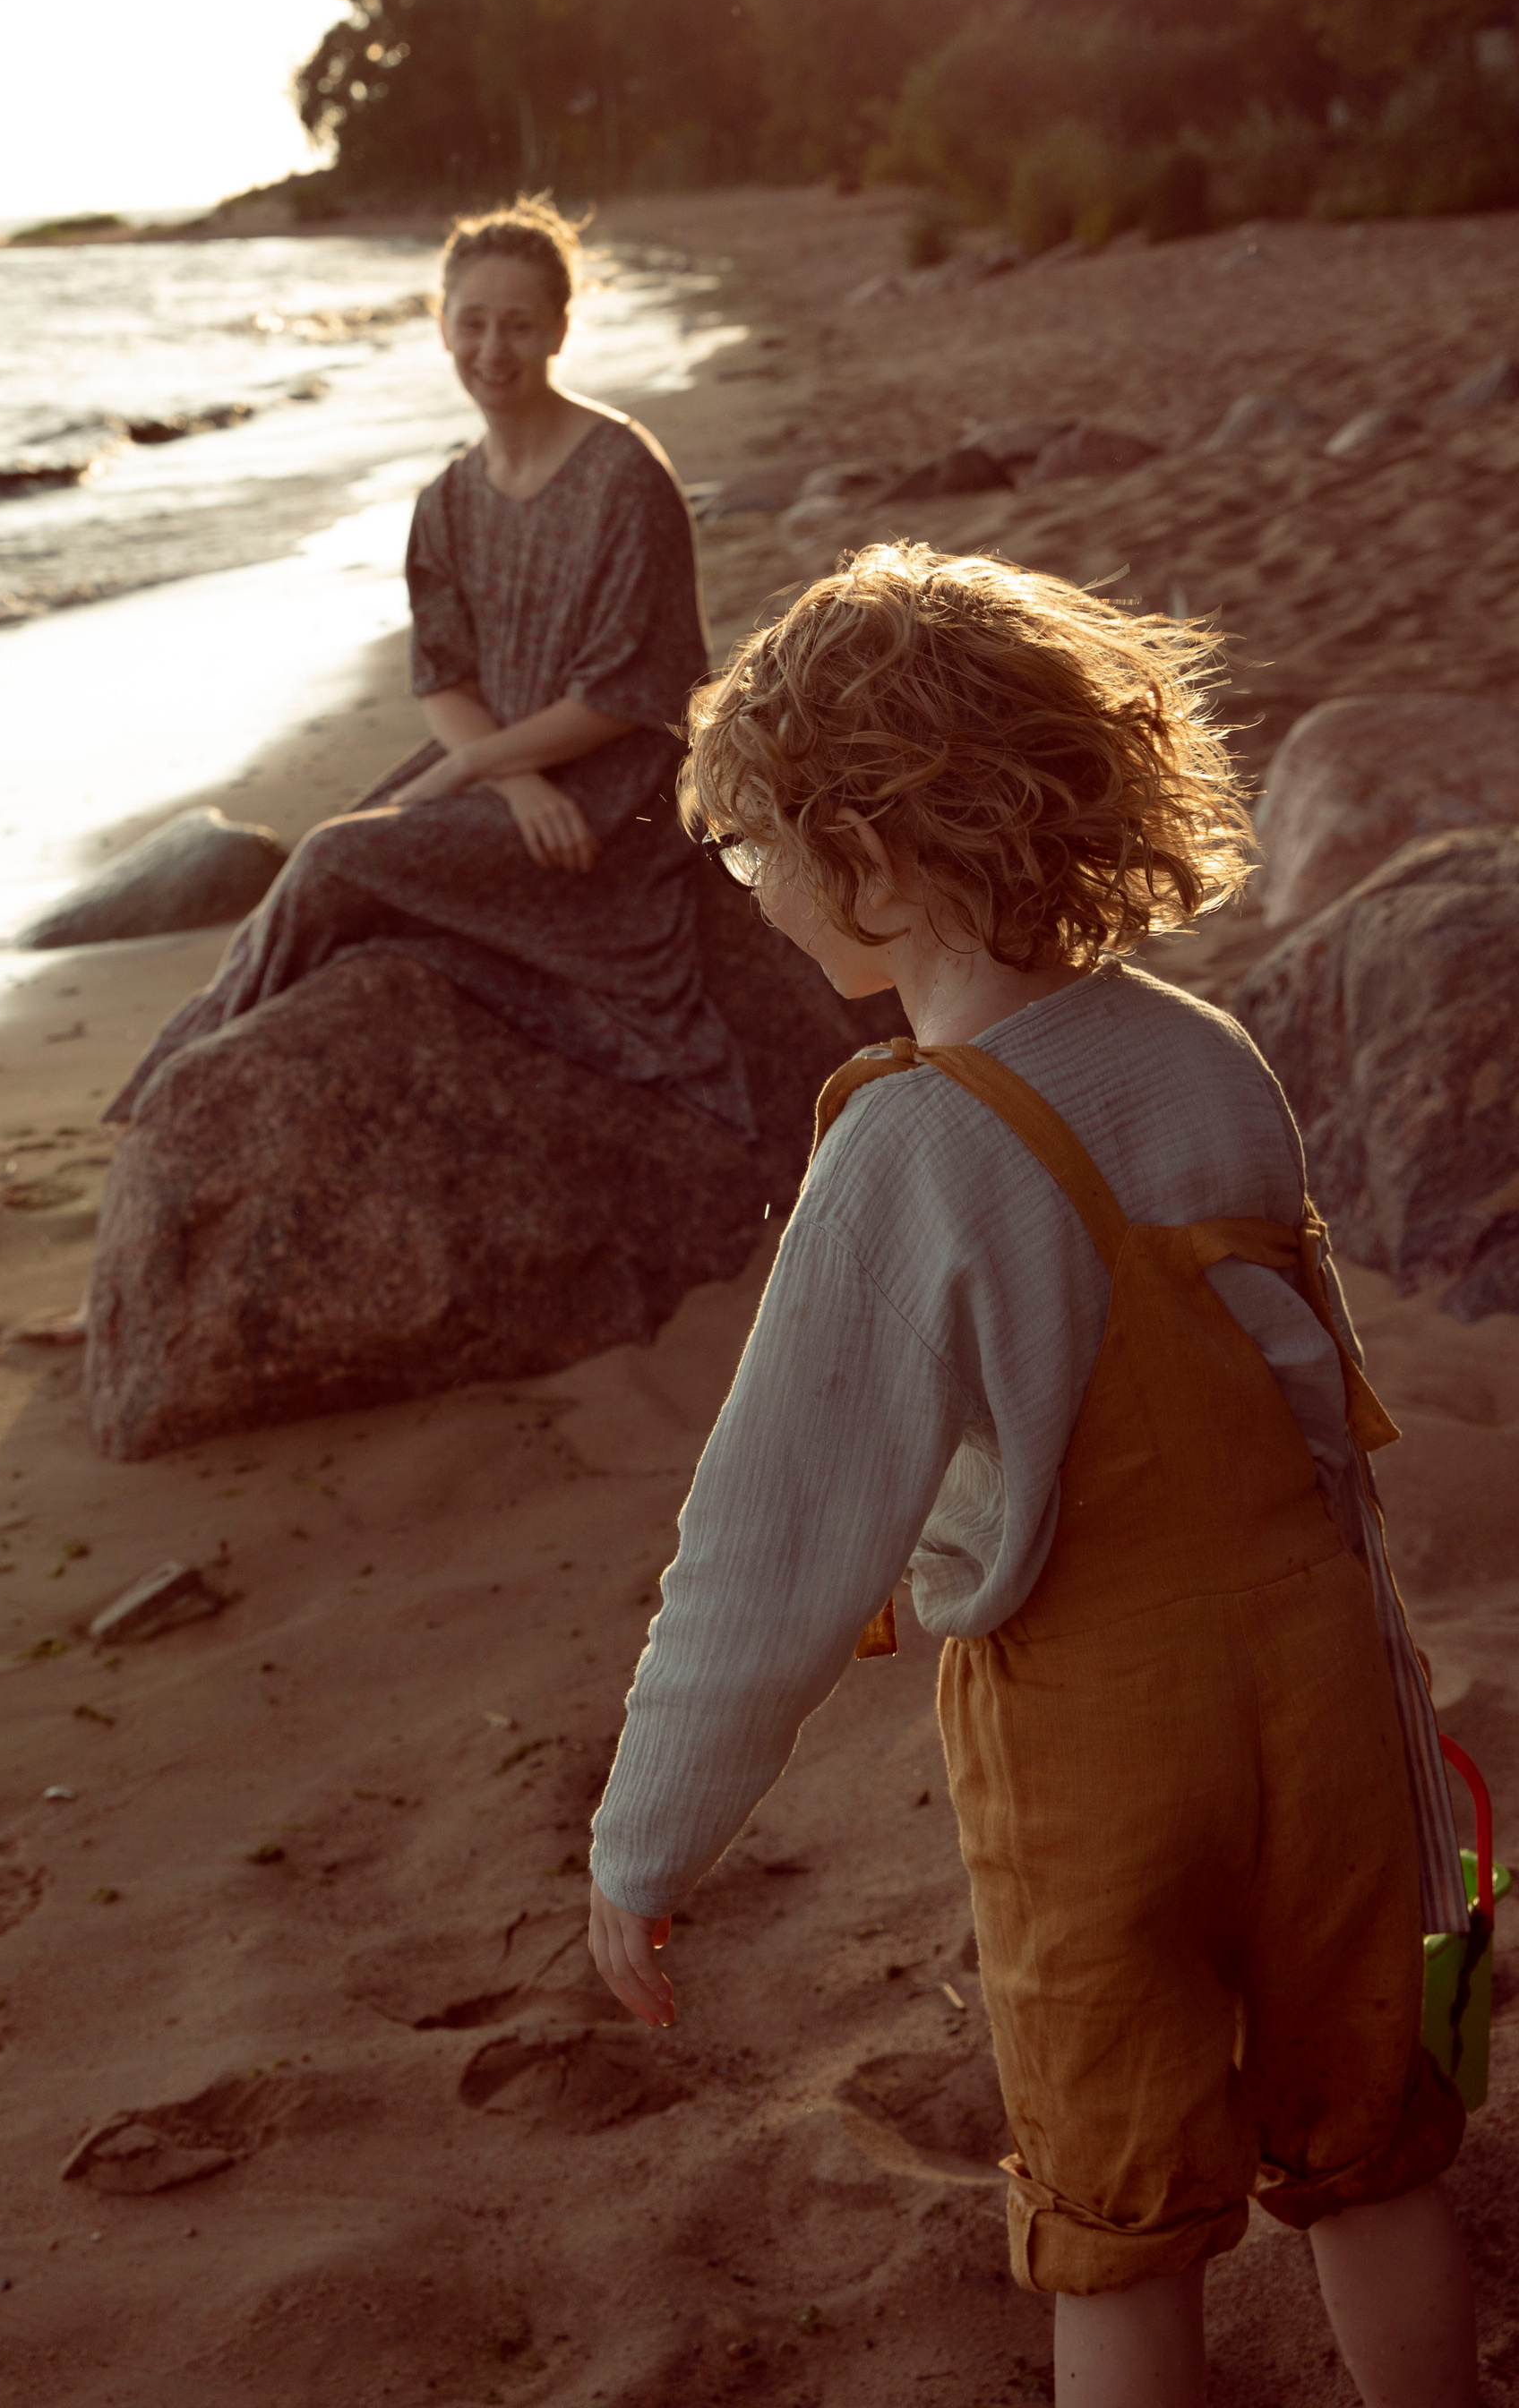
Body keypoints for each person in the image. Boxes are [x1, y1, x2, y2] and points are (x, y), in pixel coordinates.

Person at [585, 542, 1478, 2408]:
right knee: (1366, 2140)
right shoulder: (1205, 1054)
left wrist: (642, 1849)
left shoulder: (905, 1150)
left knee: (1118, 2206)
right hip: (1324, 1686)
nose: (741, 885)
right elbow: (1316, 1416)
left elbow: (764, 1553)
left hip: (1094, 1751)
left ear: (880, 865)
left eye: (755, 846)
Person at [103, 194, 754, 1144]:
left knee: (331, 855)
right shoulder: (445, 499)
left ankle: (178, 1079)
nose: (493, 350)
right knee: (340, 853)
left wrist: (473, 769)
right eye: (473, 323)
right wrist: (511, 776)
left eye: (519, 325)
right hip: (513, 769)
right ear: (440, 324)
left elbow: (634, 693)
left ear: (560, 329)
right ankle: (191, 1084)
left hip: (614, 791)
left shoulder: (624, 475)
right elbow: (442, 681)